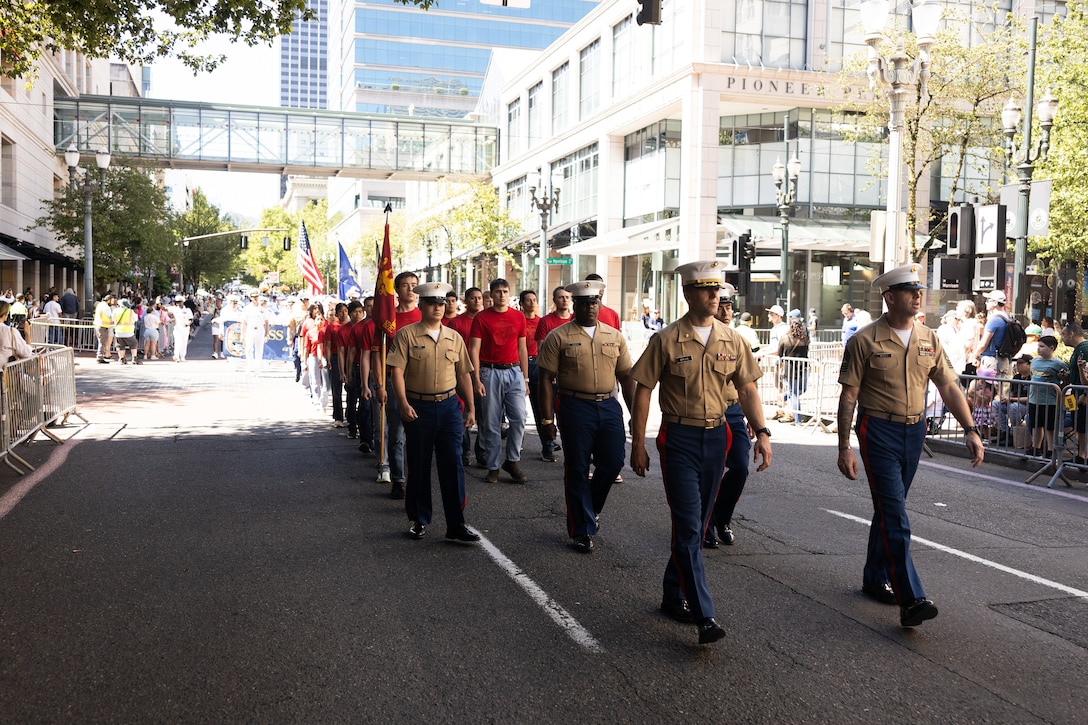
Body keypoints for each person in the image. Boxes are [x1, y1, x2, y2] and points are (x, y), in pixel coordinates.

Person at [629, 260, 772, 645]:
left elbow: (747, 390)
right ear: (689, 294)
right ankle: (705, 615)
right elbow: (643, 389)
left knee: (697, 522)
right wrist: (638, 442)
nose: (715, 296)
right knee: (691, 526)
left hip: (718, 436)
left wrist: (762, 432)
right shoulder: (666, 339)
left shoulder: (732, 339)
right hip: (679, 438)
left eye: (718, 290)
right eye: (707, 290)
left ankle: (672, 593)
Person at [837, 263, 983, 628]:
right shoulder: (865, 340)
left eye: (919, 289)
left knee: (891, 508)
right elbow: (849, 395)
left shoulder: (928, 338)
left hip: (914, 431)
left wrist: (970, 428)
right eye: (908, 290)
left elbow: (948, 386)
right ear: (889, 297)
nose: (918, 295)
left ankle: (875, 577)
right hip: (878, 431)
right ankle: (911, 596)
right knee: (895, 514)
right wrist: (843, 446)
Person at [537, 280, 634, 553]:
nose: (591, 307)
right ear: (575, 305)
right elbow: (545, 379)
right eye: (585, 303)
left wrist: (635, 414)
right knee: (578, 468)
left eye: (595, 302)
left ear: (599, 304)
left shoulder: (614, 336)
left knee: (613, 462)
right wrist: (547, 421)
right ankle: (582, 529)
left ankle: (590, 509)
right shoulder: (559, 336)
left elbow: (626, 377)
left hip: (608, 405)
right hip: (574, 406)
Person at [387, 282, 481, 544]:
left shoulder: (454, 337)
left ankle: (456, 524)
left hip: (450, 407)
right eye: (432, 304)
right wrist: (403, 403)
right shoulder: (407, 335)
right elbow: (396, 371)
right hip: (420, 407)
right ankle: (419, 519)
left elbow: (464, 373)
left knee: (453, 464)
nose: (438, 308)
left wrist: (470, 406)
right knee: (419, 464)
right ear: (422, 305)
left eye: (441, 304)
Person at [469, 278, 529, 484]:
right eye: (497, 292)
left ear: (509, 293)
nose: (501, 295)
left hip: (514, 372)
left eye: (505, 291)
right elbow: (474, 349)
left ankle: (512, 460)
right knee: (491, 422)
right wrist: (476, 378)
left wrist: (526, 378)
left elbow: (523, 348)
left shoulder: (518, 317)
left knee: (519, 417)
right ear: (491, 295)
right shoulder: (481, 318)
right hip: (489, 371)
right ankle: (493, 466)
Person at [707, 283, 751, 548]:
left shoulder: (737, 340)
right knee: (710, 472)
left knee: (740, 467)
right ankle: (706, 524)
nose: (726, 312)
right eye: (721, 307)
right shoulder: (702, 339)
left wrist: (756, 422)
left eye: (729, 307)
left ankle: (722, 518)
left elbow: (748, 385)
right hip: (708, 412)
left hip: (733, 411)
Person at [373, 271, 422, 499]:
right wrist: (380, 384)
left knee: (421, 434)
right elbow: (376, 354)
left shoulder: (425, 316)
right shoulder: (387, 318)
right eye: (405, 285)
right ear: (397, 289)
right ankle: (399, 479)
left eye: (414, 285)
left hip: (422, 381)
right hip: (394, 380)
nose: (410, 289)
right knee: (397, 434)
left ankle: (418, 478)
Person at [446, 287, 483, 466]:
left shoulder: (485, 320)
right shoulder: (456, 323)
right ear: (466, 301)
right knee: (464, 411)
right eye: (473, 298)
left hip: (483, 370)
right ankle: (465, 450)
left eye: (479, 298)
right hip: (461, 371)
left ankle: (482, 451)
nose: (477, 301)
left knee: (484, 413)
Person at [520, 289, 552, 462]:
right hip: (519, 366)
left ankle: (547, 445)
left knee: (541, 407)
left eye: (534, 299)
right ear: (522, 303)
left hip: (538, 364)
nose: (532, 303)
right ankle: (517, 442)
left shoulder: (542, 321)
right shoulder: (518, 321)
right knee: (519, 411)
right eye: (528, 300)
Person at [1027, 335, 1067, 458]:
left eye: (1042, 346)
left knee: (1050, 427)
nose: (1039, 349)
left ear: (1052, 348)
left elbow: (1066, 380)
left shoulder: (1059, 363)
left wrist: (1063, 378)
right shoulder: (1034, 361)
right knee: (1036, 425)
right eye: (1038, 346)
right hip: (1034, 399)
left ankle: (1050, 449)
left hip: (1050, 401)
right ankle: (1036, 447)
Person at [775, 314, 810, 424]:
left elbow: (779, 353)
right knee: (798, 391)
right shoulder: (805, 339)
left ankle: (784, 397)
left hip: (790, 369)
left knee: (794, 393)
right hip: (802, 368)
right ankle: (798, 419)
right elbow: (807, 352)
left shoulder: (785, 338)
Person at [992, 354, 1032, 448]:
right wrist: (1006, 398)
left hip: (1027, 405)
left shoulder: (1033, 378)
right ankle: (1004, 432)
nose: (1018, 365)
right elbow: (1012, 393)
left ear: (1029, 365)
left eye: (1021, 363)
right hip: (1014, 402)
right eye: (1017, 363)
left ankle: (1014, 433)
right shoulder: (1017, 377)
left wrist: (1012, 399)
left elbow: (1031, 398)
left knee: (1014, 407)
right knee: (995, 404)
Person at [1062, 323, 1088, 464]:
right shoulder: (1077, 349)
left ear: (1072, 334)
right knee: (1076, 422)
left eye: (1063, 335)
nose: (1062, 338)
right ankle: (1080, 453)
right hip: (1072, 393)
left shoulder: (1085, 348)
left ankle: (1083, 454)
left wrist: (1086, 394)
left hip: (1081, 395)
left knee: (1082, 424)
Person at [972, 290, 1013, 377]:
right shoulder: (1008, 317)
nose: (986, 303)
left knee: (987, 389)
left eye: (988, 300)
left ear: (995, 303)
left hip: (991, 360)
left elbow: (984, 343)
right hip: (1004, 360)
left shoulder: (994, 320)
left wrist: (975, 355)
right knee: (1001, 389)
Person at [242, 293, 270, 373]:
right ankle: (249, 367)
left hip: (260, 330)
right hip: (250, 329)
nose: (255, 298)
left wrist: (267, 334)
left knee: (259, 350)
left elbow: (266, 322)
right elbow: (243, 322)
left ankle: (257, 369)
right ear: (250, 298)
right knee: (248, 349)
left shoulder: (263, 309)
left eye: (256, 297)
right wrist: (242, 334)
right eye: (253, 297)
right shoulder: (247, 309)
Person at [113, 298, 140, 364]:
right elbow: (136, 319)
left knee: (120, 345)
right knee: (133, 344)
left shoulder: (115, 311)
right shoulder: (131, 311)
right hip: (129, 332)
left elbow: (113, 319)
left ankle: (122, 359)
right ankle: (134, 358)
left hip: (118, 332)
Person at [167, 296, 194, 362]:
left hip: (185, 328)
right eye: (177, 302)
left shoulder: (187, 310)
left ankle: (182, 356)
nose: (178, 303)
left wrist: (188, 323)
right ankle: (176, 356)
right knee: (177, 342)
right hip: (177, 328)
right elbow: (165, 309)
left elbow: (191, 319)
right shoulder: (175, 309)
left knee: (184, 342)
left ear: (183, 302)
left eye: (180, 302)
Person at [93, 293, 116, 364]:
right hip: (103, 326)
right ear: (108, 300)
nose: (112, 303)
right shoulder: (105, 307)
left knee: (101, 342)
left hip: (99, 325)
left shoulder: (100, 304)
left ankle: (100, 357)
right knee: (102, 343)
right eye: (112, 301)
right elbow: (109, 316)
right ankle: (100, 357)